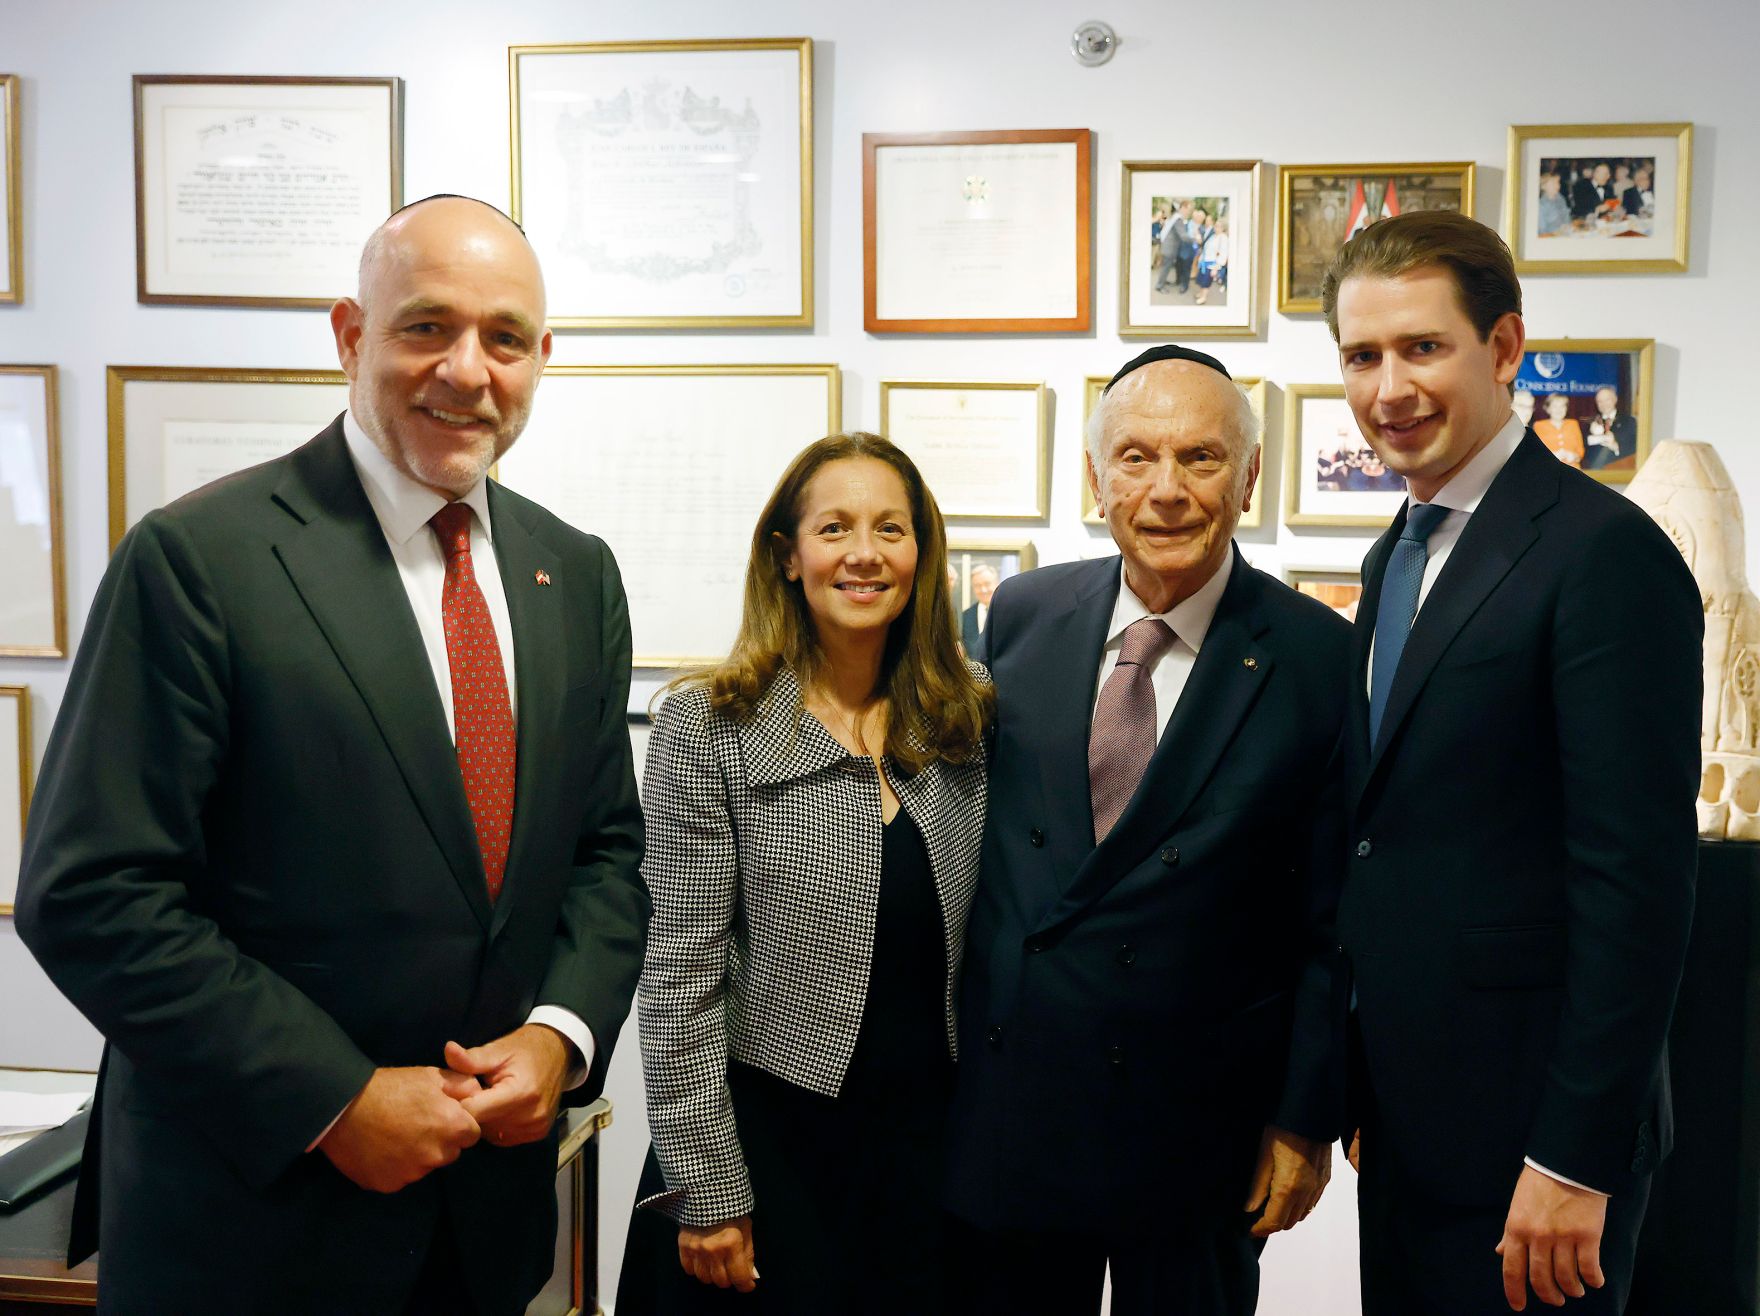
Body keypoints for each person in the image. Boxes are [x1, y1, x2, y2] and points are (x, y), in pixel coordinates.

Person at [13, 195, 649, 1314]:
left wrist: (561, 1035)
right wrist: (333, 1096)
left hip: (480, 1231)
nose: (468, 369)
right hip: (251, 1227)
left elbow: (602, 855)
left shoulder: (574, 571)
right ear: (351, 335)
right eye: (426, 326)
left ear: (541, 359)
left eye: (504, 338)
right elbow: (92, 894)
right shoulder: (200, 560)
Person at [1321, 210, 1699, 1314]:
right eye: (1361, 355)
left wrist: (1574, 1156)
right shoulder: (1393, 555)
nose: (1389, 388)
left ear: (1502, 347)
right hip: (1411, 1127)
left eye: (1421, 347)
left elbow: (1636, 884)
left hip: (1537, 1153)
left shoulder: (1604, 553)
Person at [944, 344, 1351, 1316]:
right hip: (1017, 1097)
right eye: (1135, 457)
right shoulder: (1019, 614)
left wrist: (1303, 1117)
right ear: (1096, 479)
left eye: (1200, 458)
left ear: (1248, 477)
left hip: (1200, 1121)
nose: (1166, 490)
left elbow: (1334, 919)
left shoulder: (1318, 656)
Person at [620, 432, 992, 1315]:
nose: (864, 554)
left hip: (926, 1156)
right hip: (765, 1150)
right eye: (834, 529)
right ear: (788, 557)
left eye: (890, 529)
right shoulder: (709, 725)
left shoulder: (968, 715)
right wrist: (708, 1190)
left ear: (921, 553)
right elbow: (679, 978)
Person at [1584, 386, 1639, 470]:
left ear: (1615, 399)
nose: (1604, 404)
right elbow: (1583, 450)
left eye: (1607, 400)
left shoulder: (1628, 421)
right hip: (1595, 472)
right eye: (1600, 401)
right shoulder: (1590, 423)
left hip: (1620, 471)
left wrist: (1616, 447)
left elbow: (1635, 447)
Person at [1535, 391, 1586, 465]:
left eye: (1562, 406)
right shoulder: (1539, 426)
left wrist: (1574, 456)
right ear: (1548, 409)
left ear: (1566, 409)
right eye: (1555, 406)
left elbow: (1580, 450)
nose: (1559, 409)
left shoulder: (1573, 424)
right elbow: (1536, 452)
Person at [961, 561, 1000, 654]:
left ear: (997, 583)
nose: (983, 590)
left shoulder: (1008, 611)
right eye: (977, 586)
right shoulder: (966, 616)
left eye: (987, 584)